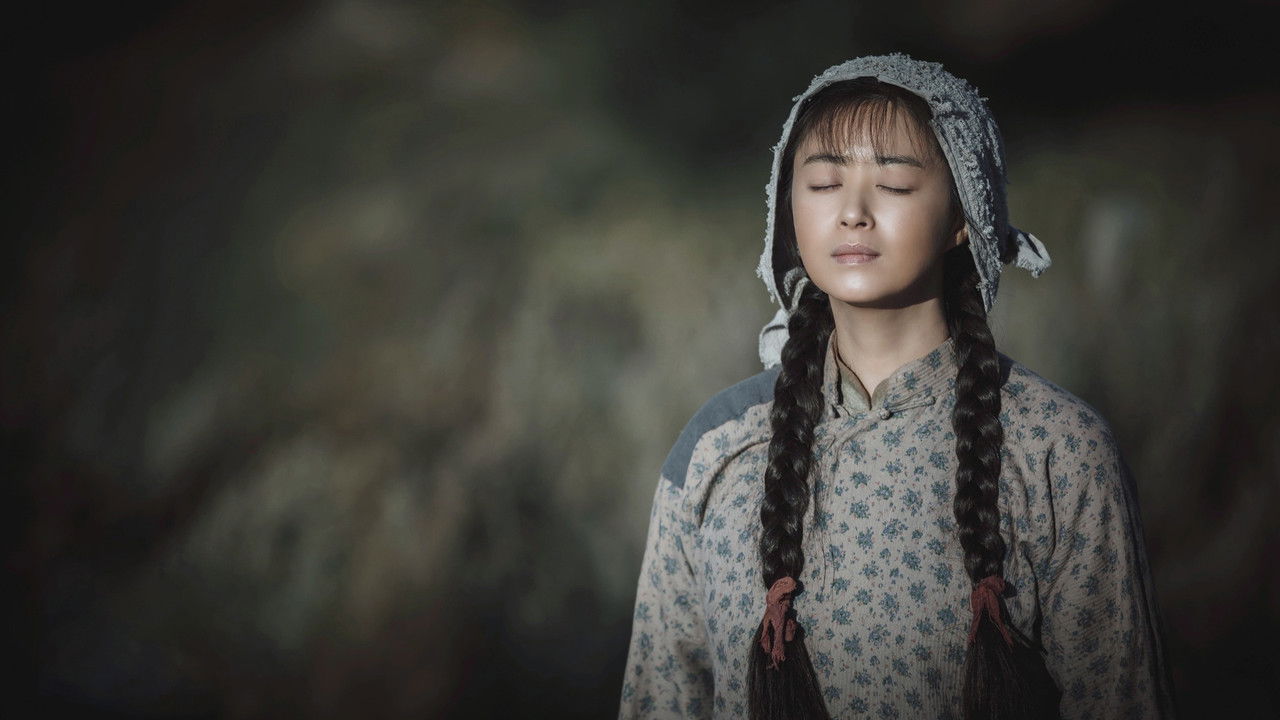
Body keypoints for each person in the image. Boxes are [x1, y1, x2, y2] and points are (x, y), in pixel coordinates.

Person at [617, 53, 1177, 719]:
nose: (852, 213)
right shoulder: (716, 450)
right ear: (787, 210)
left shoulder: (1058, 451)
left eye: (896, 186)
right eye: (823, 184)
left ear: (965, 213)